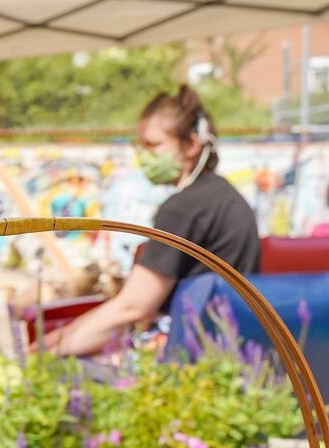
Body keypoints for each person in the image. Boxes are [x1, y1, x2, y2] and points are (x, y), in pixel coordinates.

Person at [48, 85, 260, 357]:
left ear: (192, 144)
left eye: (154, 146)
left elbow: (135, 306)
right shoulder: (223, 195)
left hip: (195, 356)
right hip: (230, 347)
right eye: (142, 146)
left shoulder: (184, 207)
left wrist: (52, 349)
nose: (144, 156)